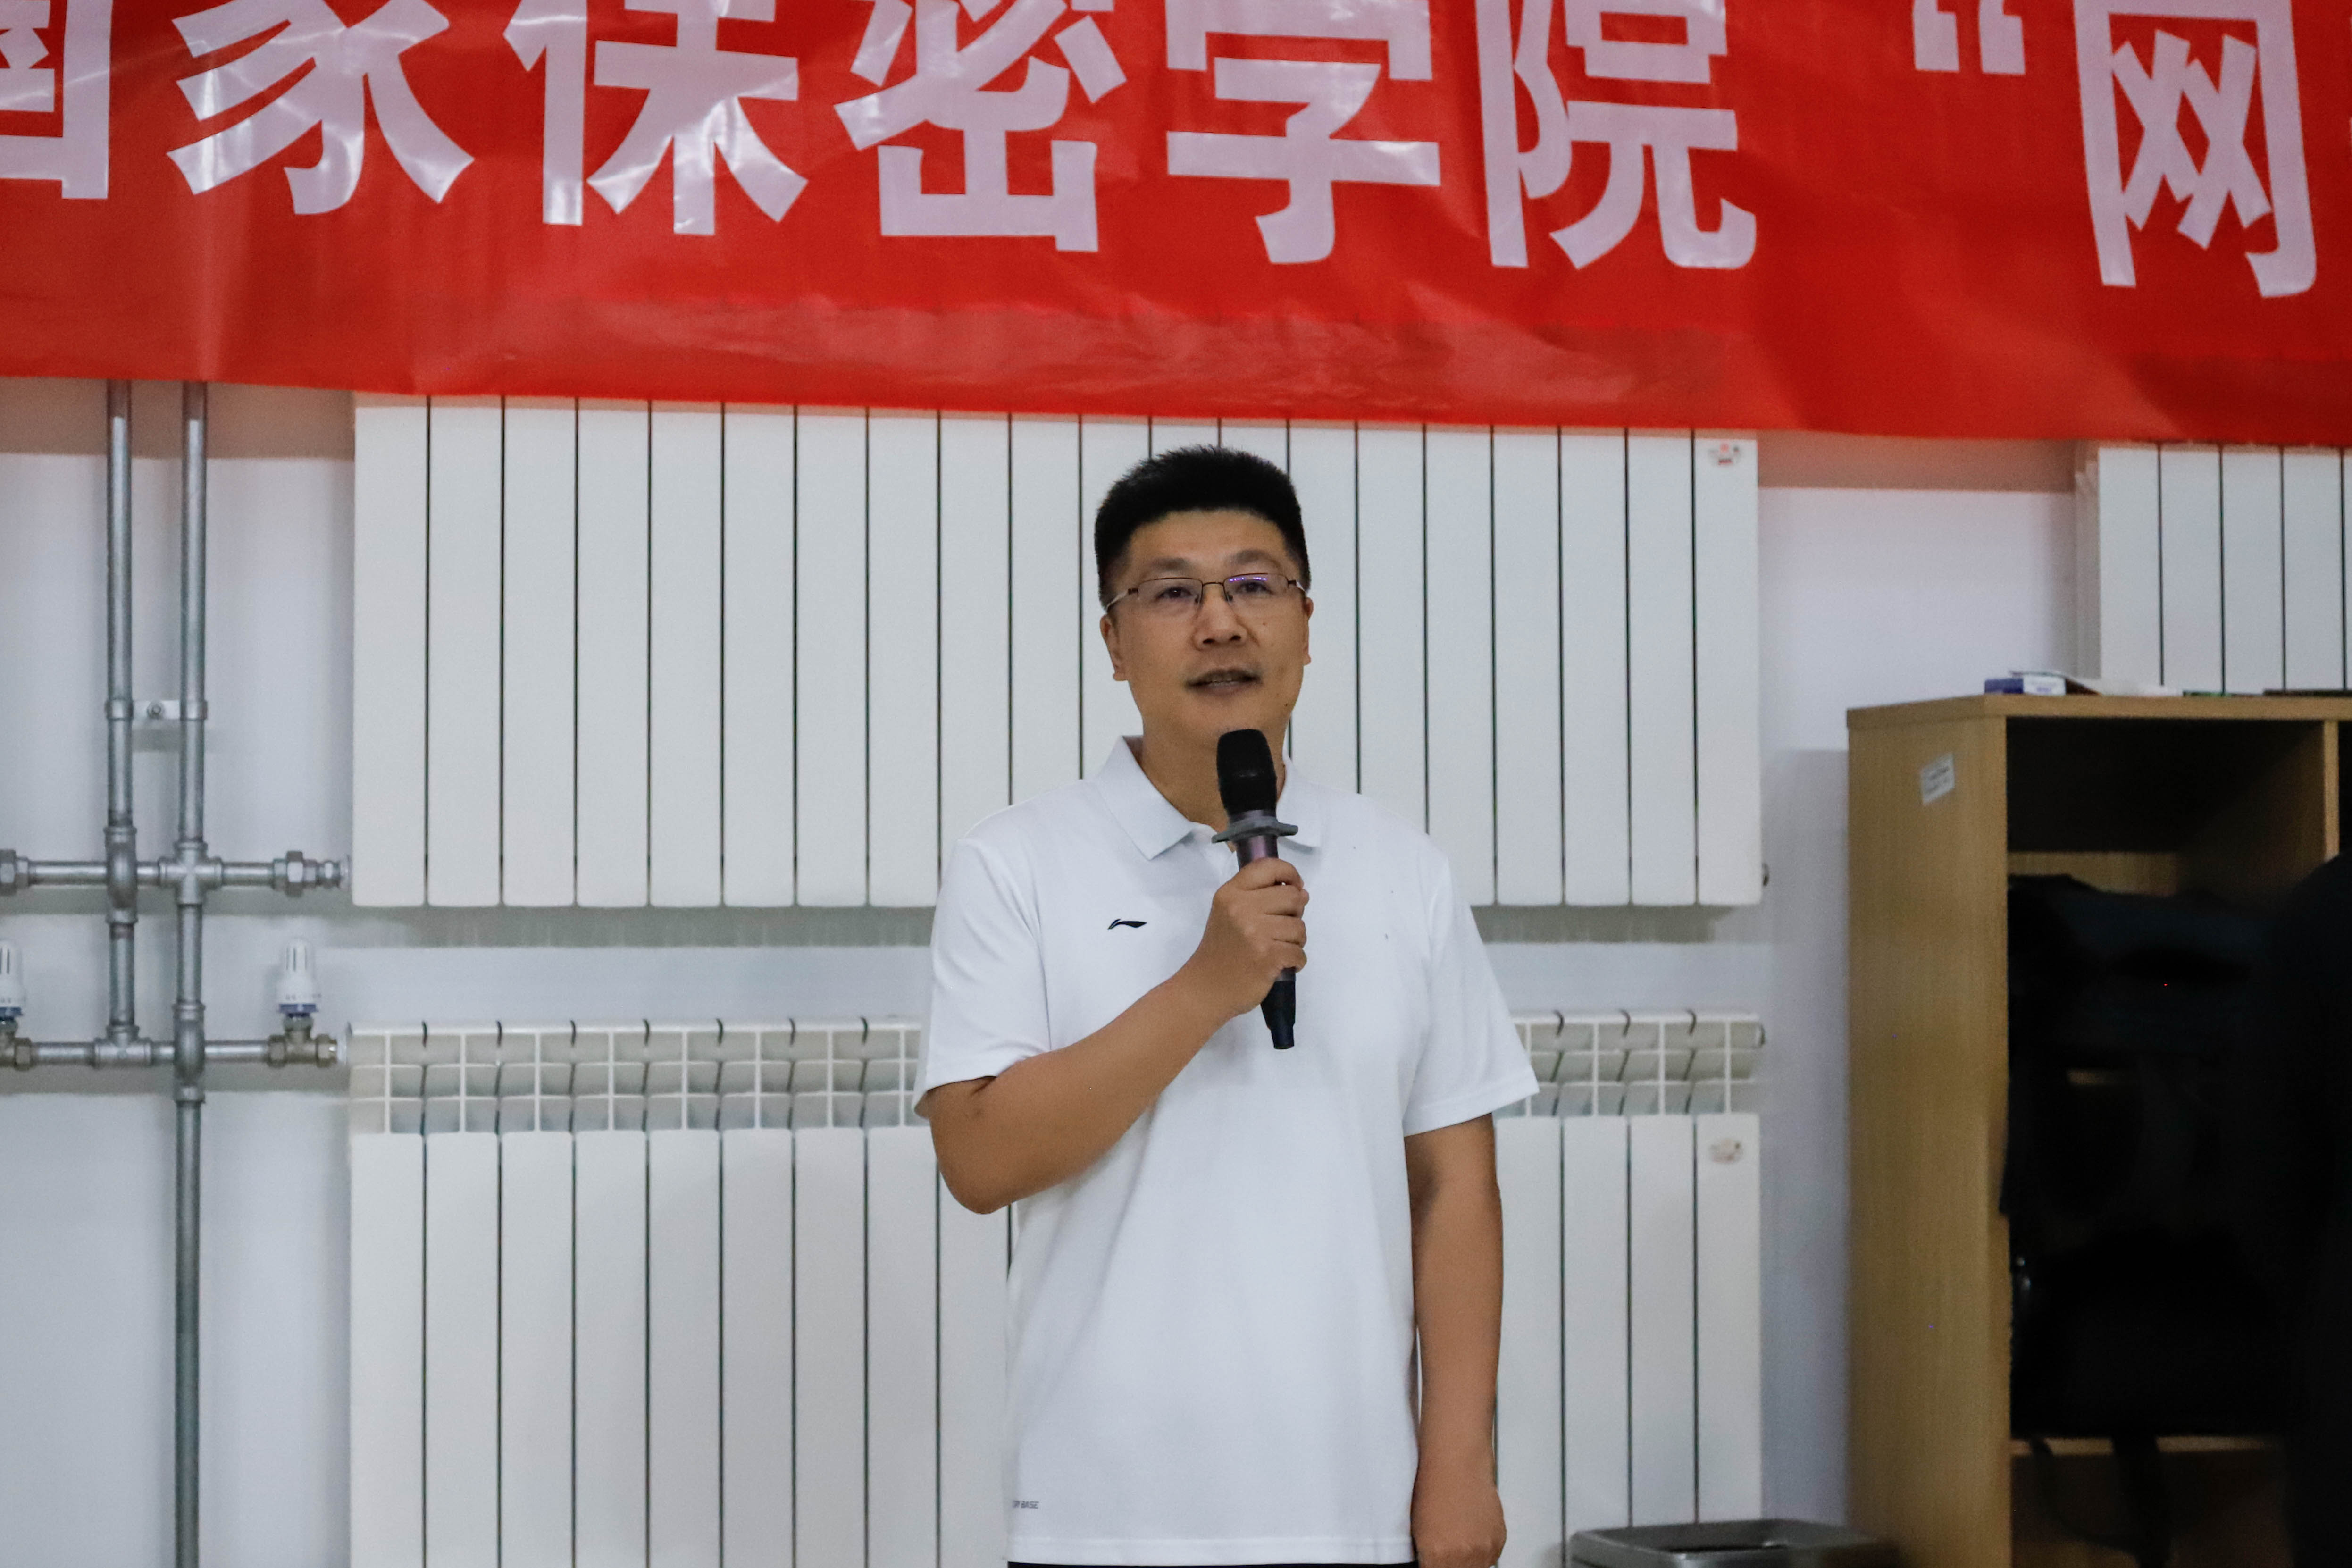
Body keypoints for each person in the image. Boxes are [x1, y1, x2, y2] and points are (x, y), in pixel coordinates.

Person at [917, 445, 1537, 1568]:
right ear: (1114, 642)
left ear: (1306, 622)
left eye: (1255, 585)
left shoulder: (1403, 869)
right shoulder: (1017, 864)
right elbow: (980, 1158)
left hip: (1355, 1503)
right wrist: (1205, 988)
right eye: (1172, 594)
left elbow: (1453, 1186)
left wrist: (1459, 1464)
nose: (1220, 624)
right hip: (1107, 1513)